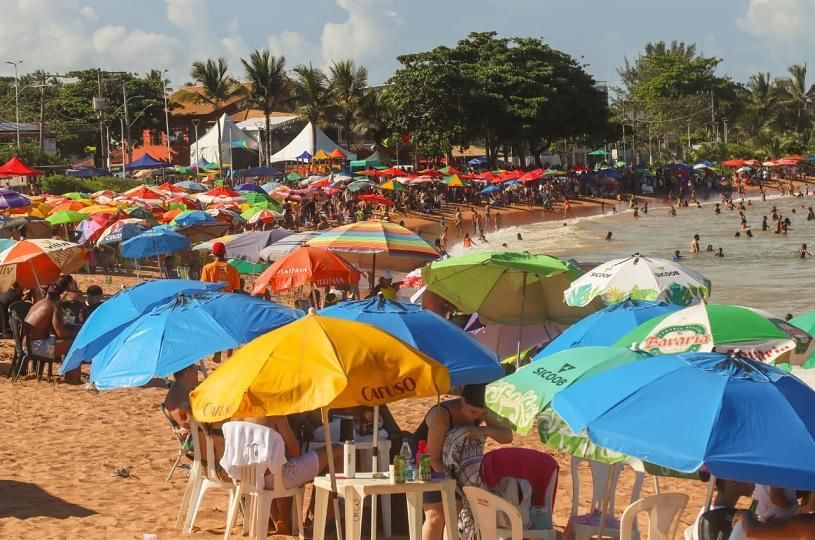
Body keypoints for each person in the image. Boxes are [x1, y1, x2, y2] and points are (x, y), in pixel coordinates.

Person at [416, 384, 513, 540]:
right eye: (473, 412)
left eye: (481, 414)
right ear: (462, 401)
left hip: (455, 464)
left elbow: (507, 436)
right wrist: (454, 485)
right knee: (436, 515)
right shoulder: (441, 415)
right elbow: (433, 457)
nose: (476, 417)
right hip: (426, 461)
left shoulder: (480, 411)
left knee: (454, 515)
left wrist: (485, 430)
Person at [24, 281, 77, 381]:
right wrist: (75, 333)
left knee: (64, 341)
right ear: (62, 294)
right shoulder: (54, 306)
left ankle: (67, 374)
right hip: (34, 347)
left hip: (25, 344)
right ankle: (73, 378)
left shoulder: (38, 303)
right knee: (73, 343)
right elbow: (61, 333)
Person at [684, 477, 754, 540]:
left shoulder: (705, 512)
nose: (755, 482)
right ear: (732, 479)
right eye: (748, 474)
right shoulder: (736, 521)